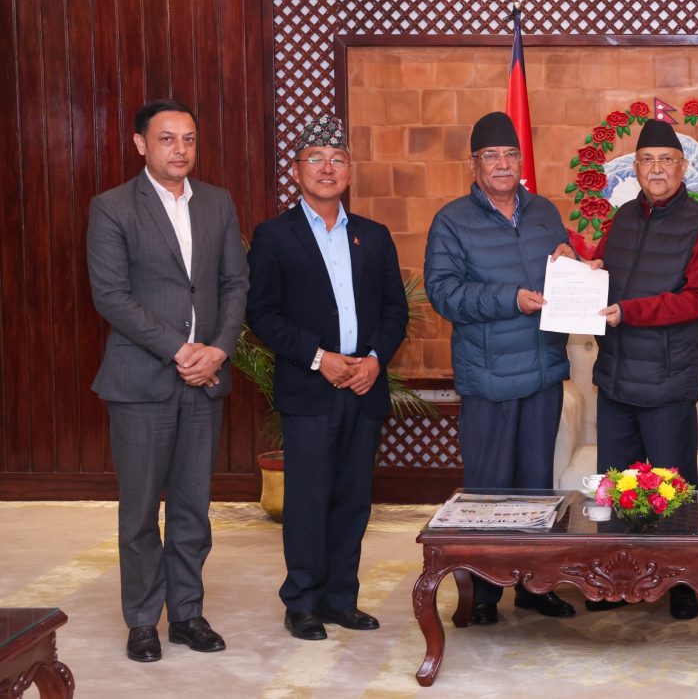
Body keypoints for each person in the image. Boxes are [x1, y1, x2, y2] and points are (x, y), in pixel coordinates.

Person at [86, 99, 249, 662]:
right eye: (166, 138)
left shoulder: (218, 203)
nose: (180, 149)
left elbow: (235, 284)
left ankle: (186, 614)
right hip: (141, 381)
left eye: (189, 139)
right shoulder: (112, 207)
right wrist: (181, 350)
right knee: (139, 513)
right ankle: (141, 620)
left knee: (191, 508)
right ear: (140, 144)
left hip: (205, 379)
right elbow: (110, 295)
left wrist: (219, 349)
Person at [246, 115, 409, 641]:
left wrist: (374, 360)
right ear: (296, 171)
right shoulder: (275, 235)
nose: (327, 167)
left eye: (337, 159)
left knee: (353, 499)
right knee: (309, 499)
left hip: (364, 385)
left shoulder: (373, 236)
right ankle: (302, 602)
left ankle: (341, 599)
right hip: (310, 386)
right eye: (315, 158)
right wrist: (320, 358)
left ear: (350, 171)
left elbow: (396, 310)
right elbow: (262, 313)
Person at [424, 111, 577, 625]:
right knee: (489, 490)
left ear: (521, 160)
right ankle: (485, 594)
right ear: (473, 164)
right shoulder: (452, 220)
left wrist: (573, 263)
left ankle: (534, 586)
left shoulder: (544, 212)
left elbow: (560, 272)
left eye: (511, 154)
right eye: (491, 156)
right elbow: (444, 293)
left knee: (536, 487)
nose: (503, 164)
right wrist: (510, 298)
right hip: (488, 376)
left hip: (543, 371)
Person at [588, 118, 698, 620]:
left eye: (666, 160)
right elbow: (601, 268)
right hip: (616, 376)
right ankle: (618, 579)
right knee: (618, 484)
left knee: (673, 485)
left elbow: (697, 299)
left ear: (683, 167)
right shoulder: (623, 217)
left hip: (668, 378)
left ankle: (681, 581)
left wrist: (630, 311)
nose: (657, 169)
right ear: (636, 168)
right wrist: (583, 271)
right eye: (647, 160)